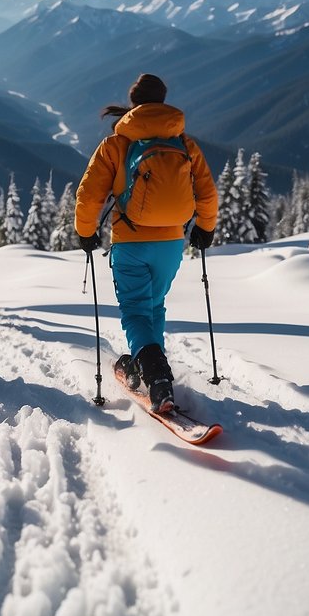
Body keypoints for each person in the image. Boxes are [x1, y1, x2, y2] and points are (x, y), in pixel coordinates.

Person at [74, 73, 218, 412]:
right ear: (163, 102)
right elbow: (207, 190)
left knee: (136, 309)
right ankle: (148, 365)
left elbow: (89, 193)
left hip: (131, 241)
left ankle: (156, 376)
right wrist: (205, 228)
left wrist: (85, 231)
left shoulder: (117, 144)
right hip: (171, 242)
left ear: (133, 103)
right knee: (154, 305)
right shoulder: (183, 142)